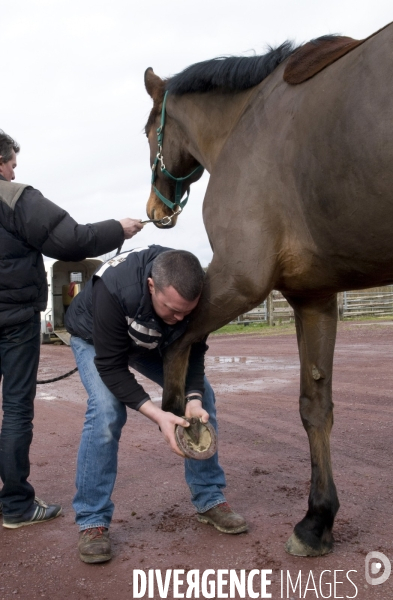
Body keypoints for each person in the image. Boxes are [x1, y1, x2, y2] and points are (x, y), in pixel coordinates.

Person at [64, 246, 248, 564]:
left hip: (149, 338)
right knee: (107, 409)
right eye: (172, 310)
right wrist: (159, 415)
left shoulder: (192, 297)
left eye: (185, 313)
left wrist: (192, 401)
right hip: (96, 337)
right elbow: (110, 366)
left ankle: (209, 498)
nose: (180, 318)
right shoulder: (114, 287)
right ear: (152, 286)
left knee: (204, 395)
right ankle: (92, 521)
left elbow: (192, 350)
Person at [0, 129, 143, 529]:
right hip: (13, 321)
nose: (13, 170)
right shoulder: (15, 197)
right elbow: (71, 240)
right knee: (15, 410)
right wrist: (118, 227)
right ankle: (15, 506)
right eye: (11, 162)